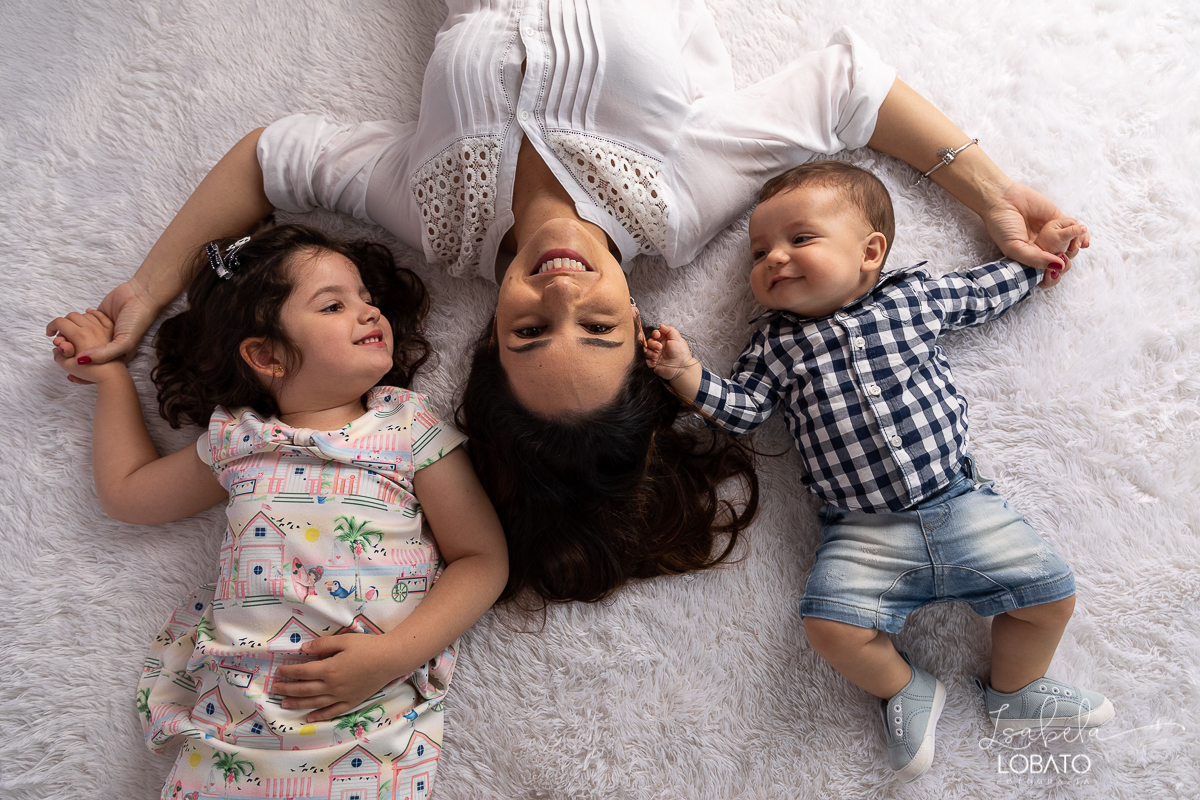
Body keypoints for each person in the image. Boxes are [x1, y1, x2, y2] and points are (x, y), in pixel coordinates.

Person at [52, 1, 1085, 605]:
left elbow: (271, 156)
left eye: (527, 328)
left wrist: (148, 291)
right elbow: (851, 89)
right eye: (599, 325)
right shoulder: (684, 203)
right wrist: (993, 199)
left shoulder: (434, 217)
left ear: (487, 339)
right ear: (646, 330)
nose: (559, 287)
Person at [644, 161, 1111, 782]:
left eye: (799, 240)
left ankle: (1015, 689)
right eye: (760, 252)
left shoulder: (912, 299)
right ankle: (906, 687)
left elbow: (981, 292)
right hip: (861, 531)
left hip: (958, 501)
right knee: (828, 625)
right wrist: (686, 374)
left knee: (1051, 593)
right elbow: (746, 411)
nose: (774, 259)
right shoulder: (775, 347)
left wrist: (1037, 262)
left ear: (870, 252)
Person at [48, 225, 508, 799]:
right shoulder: (241, 437)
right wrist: (112, 380)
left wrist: (392, 657)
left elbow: (482, 558)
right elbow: (127, 491)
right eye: (335, 304)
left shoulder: (407, 428)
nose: (369, 313)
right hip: (236, 722)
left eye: (367, 298)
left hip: (364, 721)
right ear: (266, 354)